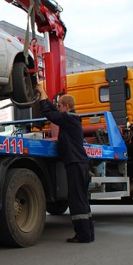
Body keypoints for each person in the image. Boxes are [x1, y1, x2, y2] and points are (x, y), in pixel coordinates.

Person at [36, 85, 94, 243]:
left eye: (60, 106)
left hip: (75, 163)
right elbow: (54, 113)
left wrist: (42, 94)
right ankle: (88, 233)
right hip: (79, 163)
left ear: (67, 107)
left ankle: (83, 235)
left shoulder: (69, 118)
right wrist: (45, 97)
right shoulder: (71, 119)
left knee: (76, 199)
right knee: (81, 198)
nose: (58, 108)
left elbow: (50, 114)